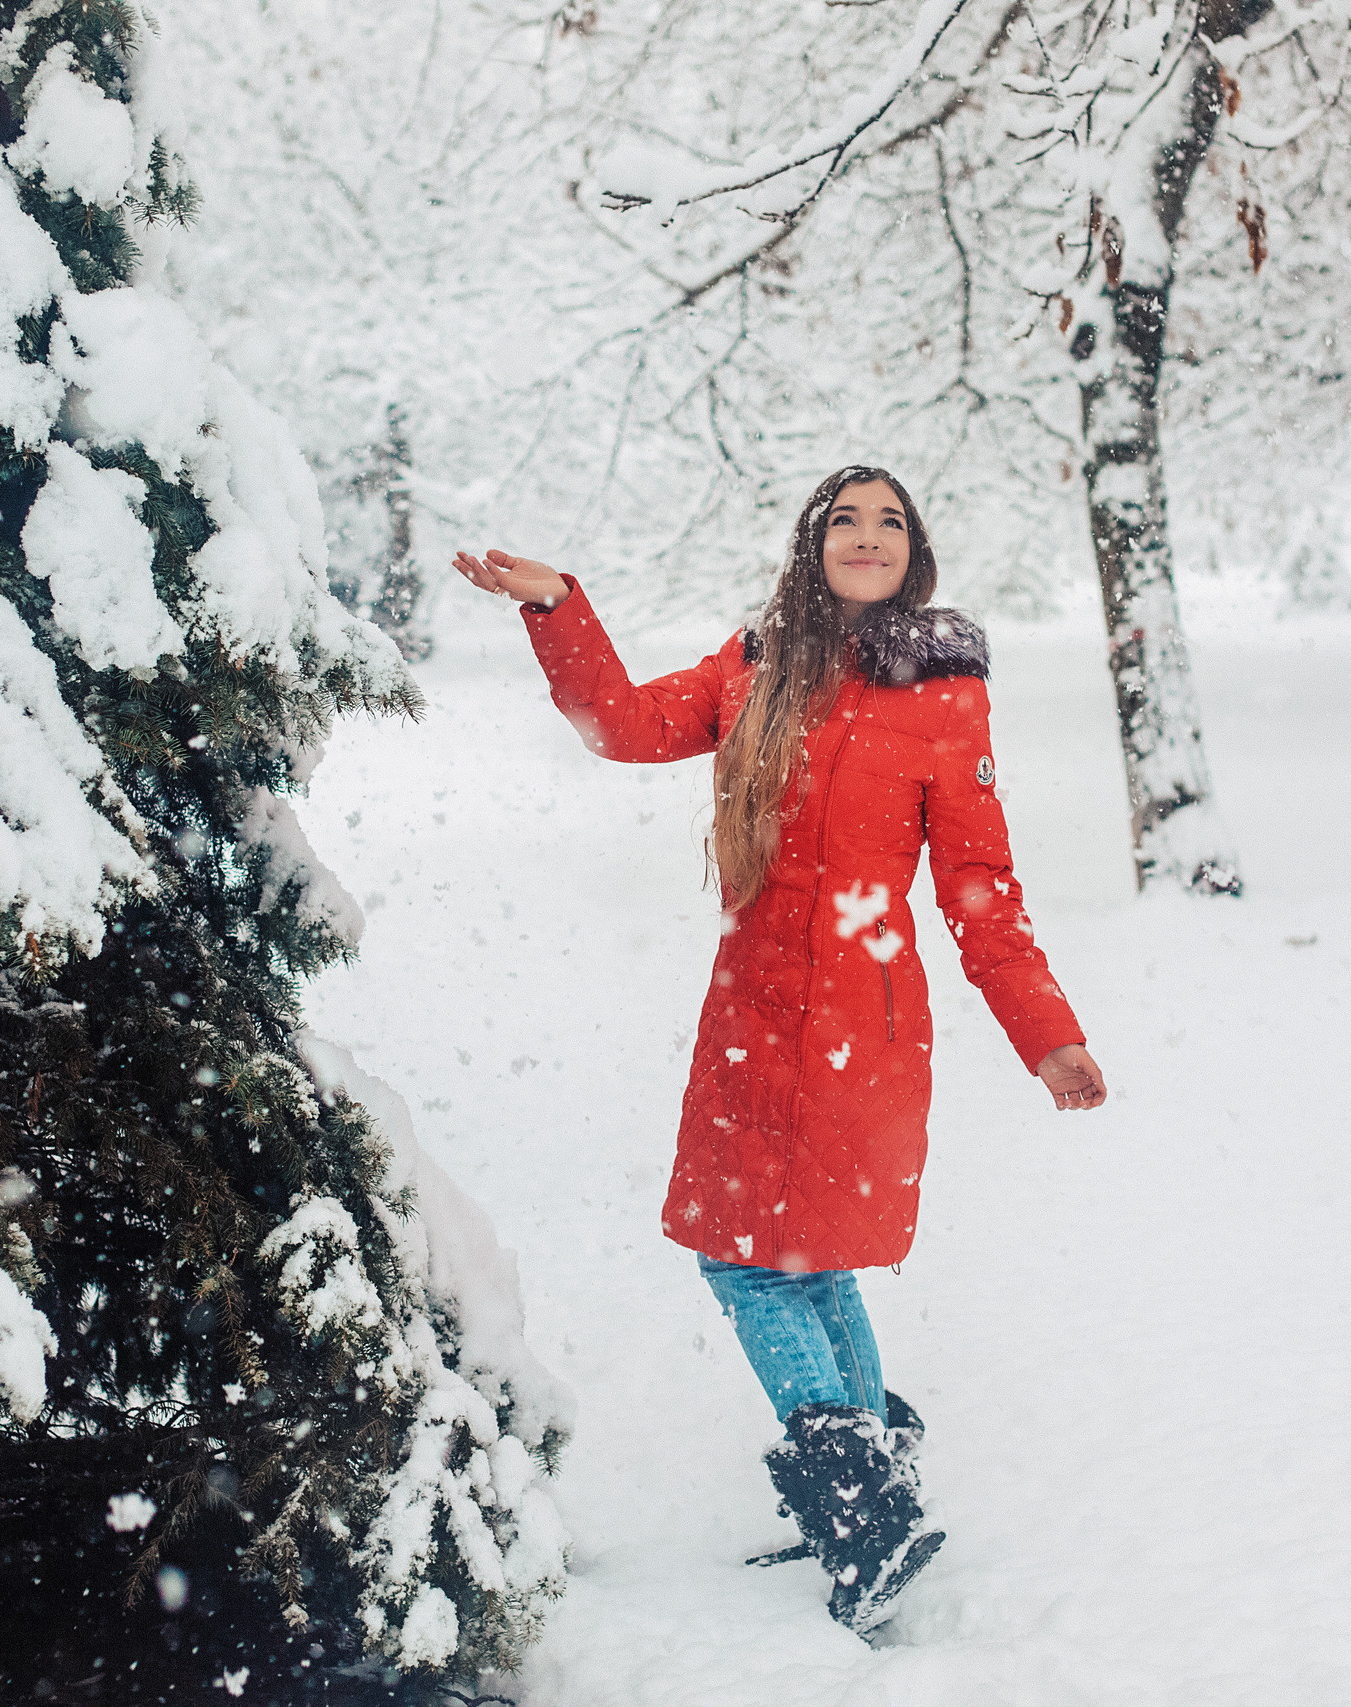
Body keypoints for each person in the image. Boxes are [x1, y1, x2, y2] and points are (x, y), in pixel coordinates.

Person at [452, 465, 1105, 1635]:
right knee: (801, 1261)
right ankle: (876, 1507)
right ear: (812, 548)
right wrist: (559, 609)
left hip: (864, 1016)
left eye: (888, 521)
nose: (866, 536)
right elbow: (628, 727)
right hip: (752, 1019)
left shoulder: (944, 695)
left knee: (749, 1260)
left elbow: (978, 884)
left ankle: (855, 1506)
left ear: (916, 550)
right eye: (842, 520)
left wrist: (1045, 1033)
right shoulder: (756, 666)